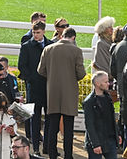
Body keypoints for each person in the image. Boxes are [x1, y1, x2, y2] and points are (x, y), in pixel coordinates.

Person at [37, 26, 85, 159]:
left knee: (53, 126)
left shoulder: (48, 49)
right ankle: (68, 155)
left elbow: (41, 70)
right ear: (73, 37)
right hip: (69, 93)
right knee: (68, 128)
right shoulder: (76, 51)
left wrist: (52, 76)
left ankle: (52, 154)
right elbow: (81, 74)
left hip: (52, 92)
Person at [17, 21, 50, 154]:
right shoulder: (26, 46)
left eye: (38, 33)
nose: (35, 35)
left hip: (48, 88)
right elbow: (22, 66)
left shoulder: (50, 45)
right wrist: (31, 79)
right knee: (34, 119)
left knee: (49, 118)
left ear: (43, 32)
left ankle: (48, 147)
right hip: (34, 88)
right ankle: (35, 148)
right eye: (34, 33)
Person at [82, 71, 118, 159]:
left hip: (110, 139)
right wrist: (95, 144)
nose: (108, 84)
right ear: (98, 84)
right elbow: (89, 124)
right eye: (105, 82)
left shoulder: (108, 97)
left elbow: (111, 118)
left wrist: (117, 134)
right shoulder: (89, 102)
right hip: (96, 140)